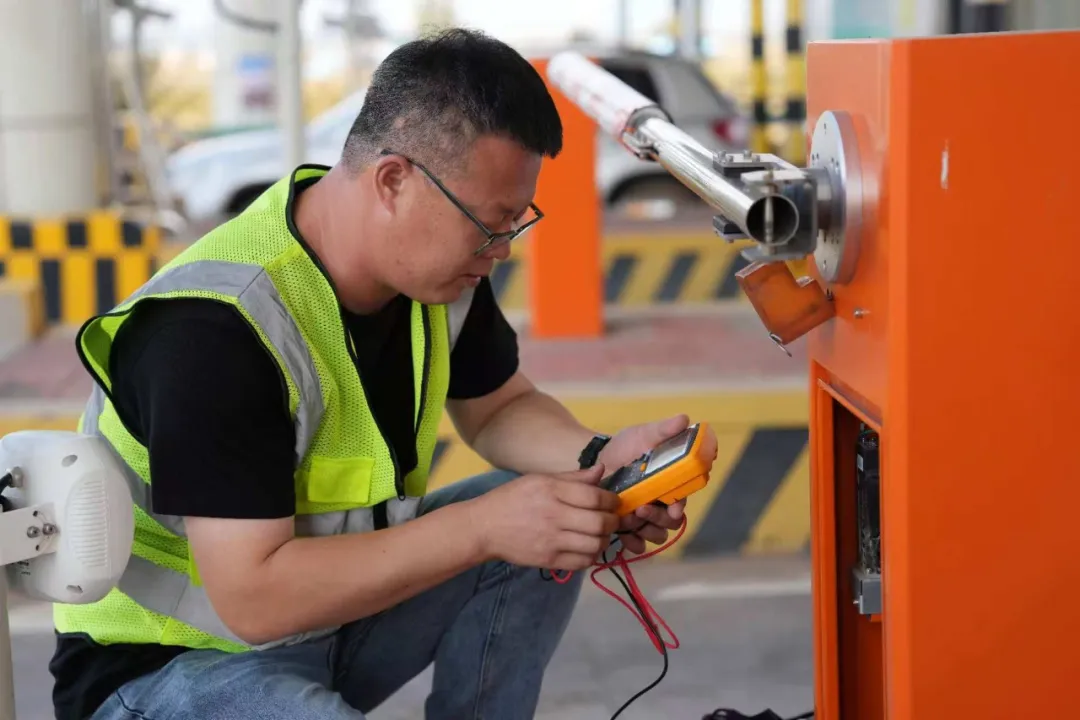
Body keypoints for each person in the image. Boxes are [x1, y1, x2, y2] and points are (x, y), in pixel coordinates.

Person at [49, 27, 714, 720]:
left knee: (551, 507)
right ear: (394, 180)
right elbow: (252, 600)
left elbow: (498, 407)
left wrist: (600, 462)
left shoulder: (439, 271)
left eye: (515, 223)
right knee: (510, 520)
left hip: (320, 631)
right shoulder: (214, 327)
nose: (501, 251)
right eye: (491, 224)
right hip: (169, 675)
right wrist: (483, 527)